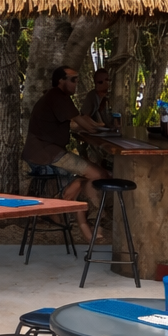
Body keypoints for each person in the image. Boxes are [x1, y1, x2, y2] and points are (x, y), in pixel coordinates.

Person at [24, 66, 108, 240]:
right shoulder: (58, 96)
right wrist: (105, 131)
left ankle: (68, 212)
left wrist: (96, 126)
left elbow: (77, 122)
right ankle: (91, 222)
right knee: (98, 174)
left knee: (86, 177)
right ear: (60, 81)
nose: (76, 83)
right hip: (46, 153)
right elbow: (85, 124)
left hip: (43, 152)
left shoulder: (54, 96)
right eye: (73, 79)